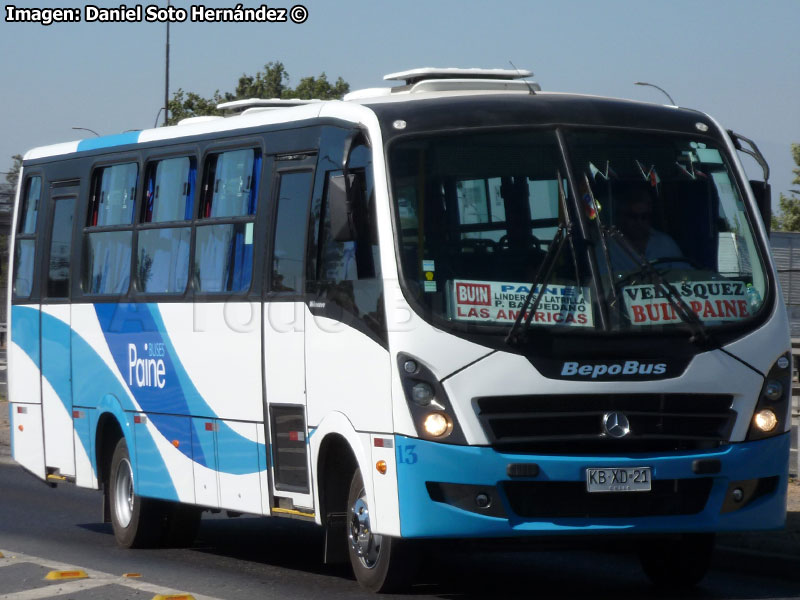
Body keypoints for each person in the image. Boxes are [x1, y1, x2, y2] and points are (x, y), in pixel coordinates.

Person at [605, 182, 683, 273]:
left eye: (644, 216)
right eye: (633, 216)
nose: (639, 222)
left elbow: (685, 276)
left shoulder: (666, 243)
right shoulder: (606, 248)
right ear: (621, 217)